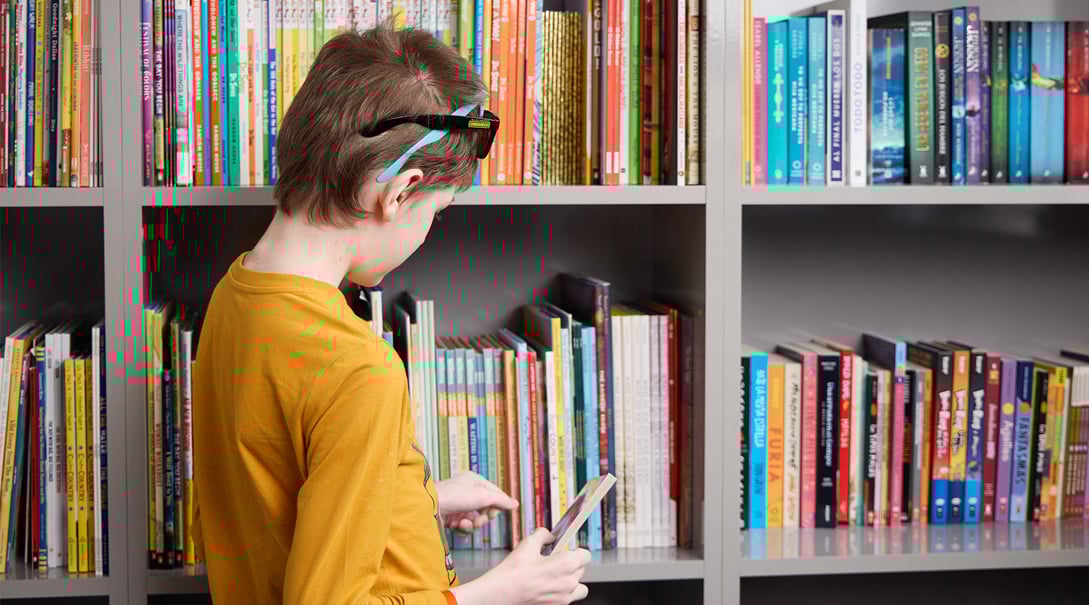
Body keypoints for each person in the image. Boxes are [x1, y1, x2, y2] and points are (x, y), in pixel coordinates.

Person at [191, 25, 591, 605]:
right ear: (400, 193)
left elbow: (280, 495)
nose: (429, 230)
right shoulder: (356, 369)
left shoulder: (236, 294)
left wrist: (415, 496)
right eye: (437, 212)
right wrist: (502, 590)